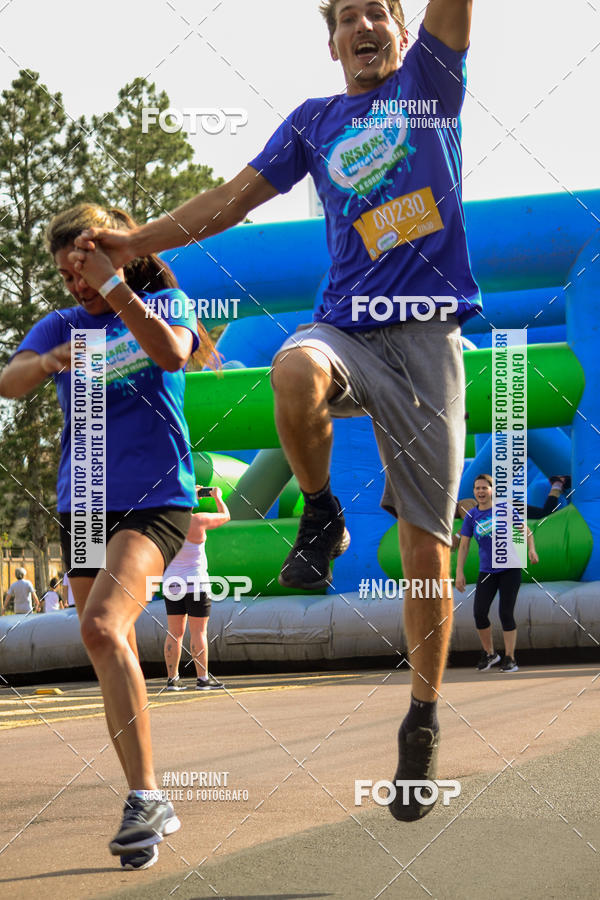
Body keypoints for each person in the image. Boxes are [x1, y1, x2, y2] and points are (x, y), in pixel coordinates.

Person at [72, 0, 475, 822]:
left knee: (426, 558)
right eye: (348, 16)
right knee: (294, 366)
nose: (365, 26)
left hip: (430, 341)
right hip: (347, 327)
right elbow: (230, 197)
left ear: (402, 30)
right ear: (330, 41)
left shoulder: (431, 81)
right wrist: (136, 241)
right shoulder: (314, 122)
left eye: (379, 13)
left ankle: (424, 717)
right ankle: (321, 514)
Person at [0, 203, 217, 870]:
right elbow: (8, 382)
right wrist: (49, 361)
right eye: (67, 277)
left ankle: (147, 797)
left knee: (98, 628)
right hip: (86, 500)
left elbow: (173, 354)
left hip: (156, 496)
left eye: (85, 269)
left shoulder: (165, 302)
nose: (78, 286)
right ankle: (147, 796)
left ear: (114, 254)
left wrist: (119, 292)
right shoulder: (63, 323)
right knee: (105, 640)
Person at [455, 474, 539, 673]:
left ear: (492, 490)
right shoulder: (471, 516)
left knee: (505, 612)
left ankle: (510, 658)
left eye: (485, 488)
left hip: (509, 569)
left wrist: (531, 549)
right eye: (477, 488)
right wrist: (459, 571)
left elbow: (526, 531)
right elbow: (464, 545)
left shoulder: (505, 510)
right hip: (487, 571)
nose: (481, 492)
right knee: (479, 613)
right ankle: (490, 653)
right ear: (474, 492)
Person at [163, 486, 230, 691]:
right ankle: (202, 679)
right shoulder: (198, 520)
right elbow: (225, 516)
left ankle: (172, 679)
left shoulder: (165, 523)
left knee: (174, 632)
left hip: (172, 583)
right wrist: (217, 496)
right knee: (199, 631)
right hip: (196, 582)